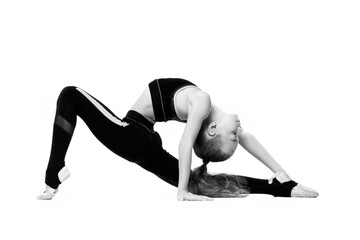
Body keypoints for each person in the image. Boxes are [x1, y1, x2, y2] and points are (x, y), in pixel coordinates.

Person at [38, 78, 318, 200]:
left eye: (232, 135)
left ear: (211, 131)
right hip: (141, 141)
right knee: (202, 183)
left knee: (70, 94)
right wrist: (282, 177)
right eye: (235, 135)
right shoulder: (208, 113)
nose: (239, 130)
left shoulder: (203, 102)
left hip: (132, 134)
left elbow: (185, 144)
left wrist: (181, 190)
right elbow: (248, 138)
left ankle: (54, 174)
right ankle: (277, 190)